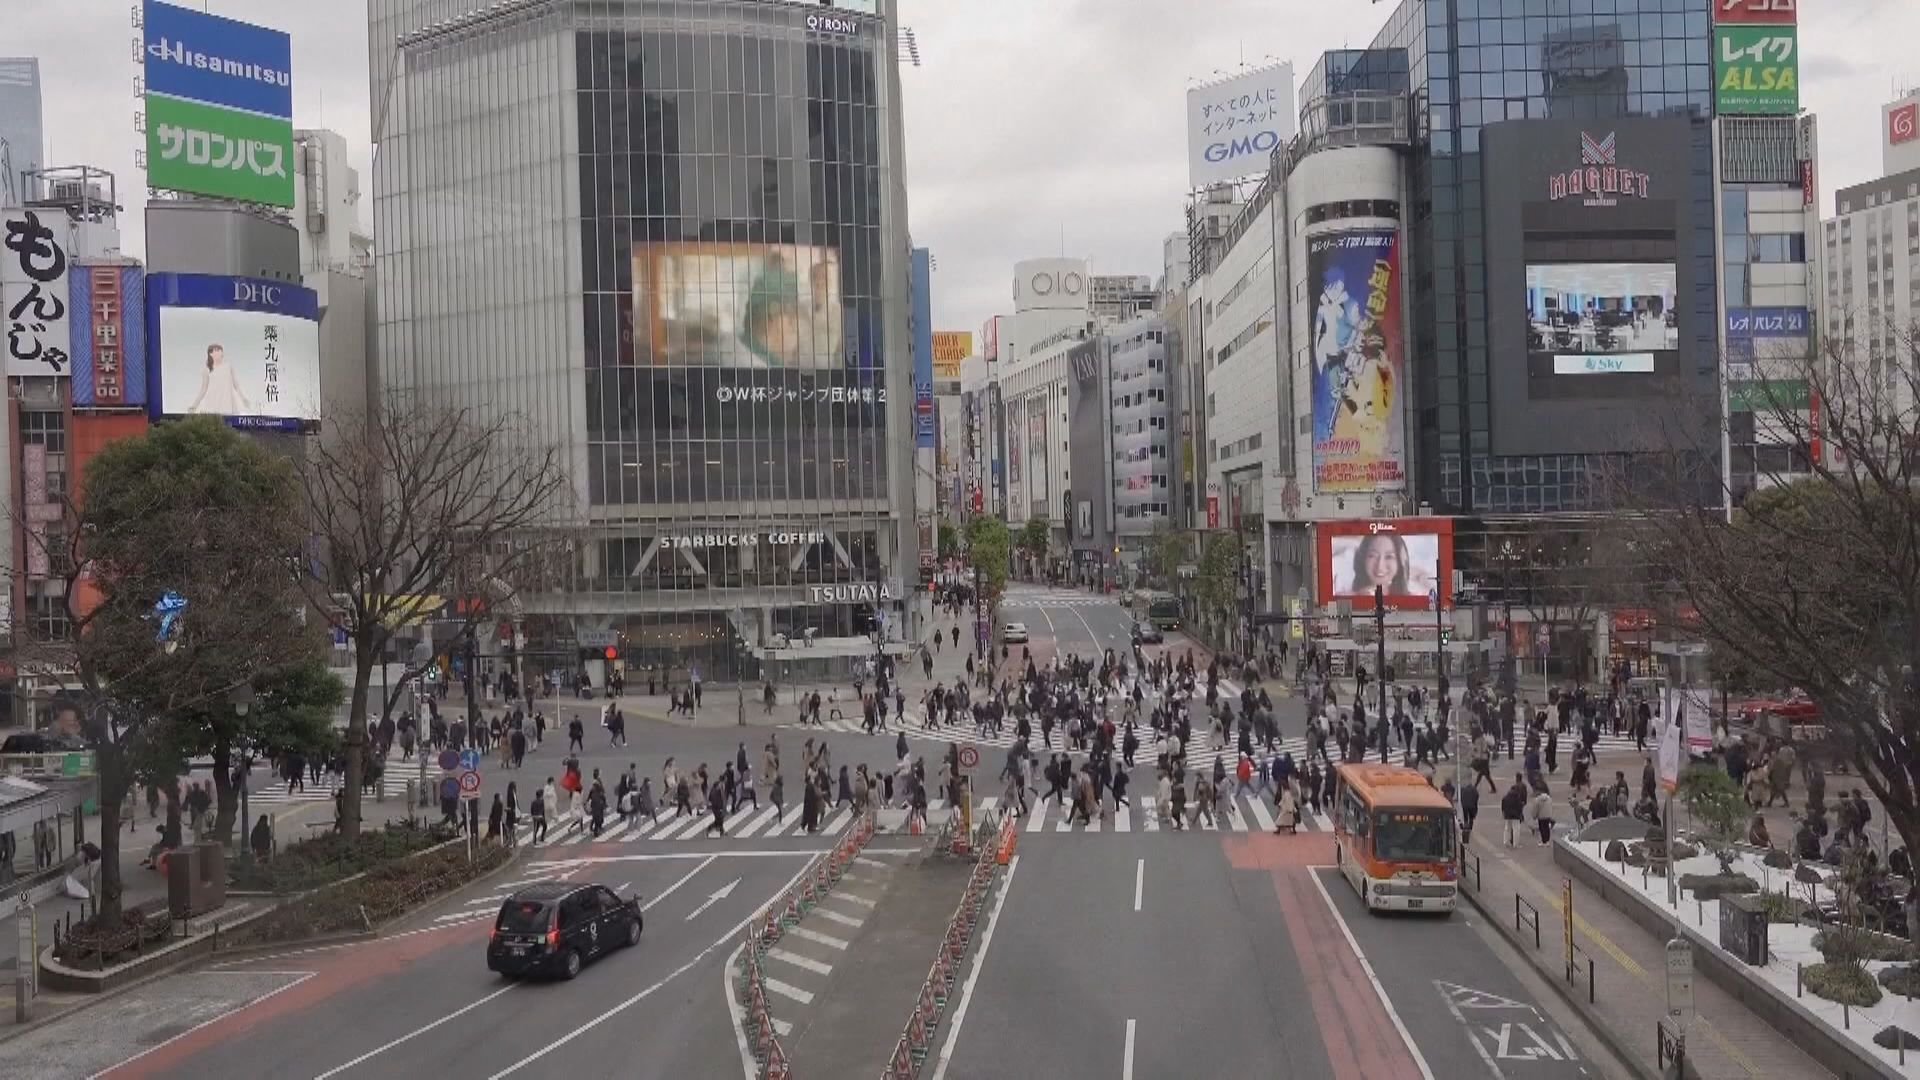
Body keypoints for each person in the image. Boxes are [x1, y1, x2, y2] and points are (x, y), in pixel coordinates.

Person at [185, 343, 254, 414]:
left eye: (220, 350)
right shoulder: (207, 370)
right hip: (213, 402)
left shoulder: (228, 366)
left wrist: (243, 398)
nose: (220, 352)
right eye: (217, 350)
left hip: (227, 402)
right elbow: (203, 390)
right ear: (211, 354)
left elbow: (236, 384)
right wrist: (194, 406)